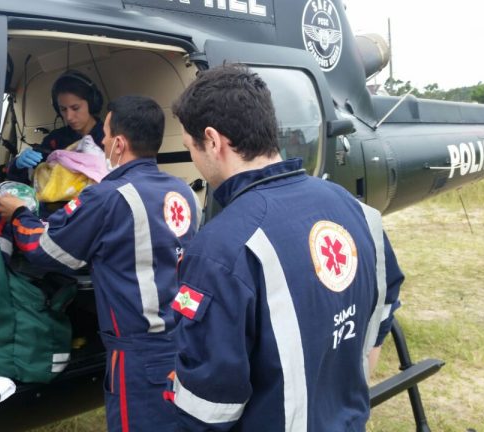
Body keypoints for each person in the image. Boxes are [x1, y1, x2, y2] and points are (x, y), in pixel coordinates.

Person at [167, 65, 402, 431]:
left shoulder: (220, 248)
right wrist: (354, 369)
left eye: (189, 147)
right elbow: (386, 295)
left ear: (212, 140)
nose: (194, 159)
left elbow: (209, 405)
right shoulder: (354, 208)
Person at [0, 95, 200, 432]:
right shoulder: (183, 192)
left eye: (104, 134)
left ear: (118, 143)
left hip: (139, 354)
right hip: (186, 340)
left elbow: (43, 248)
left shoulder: (107, 196)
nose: (100, 141)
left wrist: (18, 212)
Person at [7, 70, 105, 183]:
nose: (69, 117)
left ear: (92, 103)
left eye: (75, 108)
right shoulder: (56, 139)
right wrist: (17, 165)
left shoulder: (110, 138)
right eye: (63, 109)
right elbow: (25, 177)